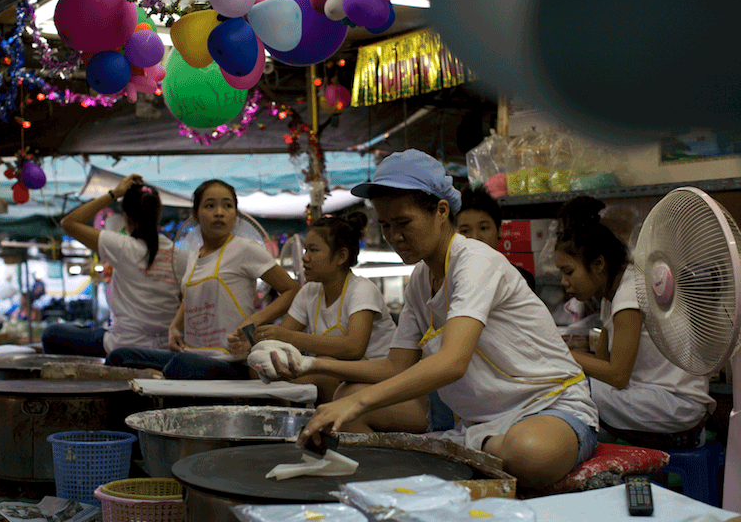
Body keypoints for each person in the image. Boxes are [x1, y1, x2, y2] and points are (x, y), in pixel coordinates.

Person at [256, 149, 599, 488]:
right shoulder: (421, 278)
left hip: (547, 404)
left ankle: (450, 447)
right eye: (386, 225)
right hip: (475, 414)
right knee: (347, 395)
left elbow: (452, 363)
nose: (394, 237)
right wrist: (312, 365)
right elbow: (395, 366)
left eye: (403, 223)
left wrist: (353, 402)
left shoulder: (475, 261)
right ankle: (449, 451)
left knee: (529, 454)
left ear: (440, 211)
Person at [554, 196, 716, 450]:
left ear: (598, 264)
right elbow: (601, 364)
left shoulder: (630, 293)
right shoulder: (614, 291)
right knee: (573, 384)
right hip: (655, 399)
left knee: (570, 390)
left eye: (569, 272)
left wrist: (557, 351)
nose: (564, 282)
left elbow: (617, 375)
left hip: (676, 406)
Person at [106, 179, 300, 379]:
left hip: (230, 360)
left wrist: (251, 323)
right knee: (119, 356)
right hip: (193, 353)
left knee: (180, 365)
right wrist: (175, 326)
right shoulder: (192, 256)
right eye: (209, 206)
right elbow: (192, 298)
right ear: (196, 215)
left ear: (236, 215)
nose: (219, 212)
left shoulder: (245, 249)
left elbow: (292, 290)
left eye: (227, 206)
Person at [234, 212, 396, 403]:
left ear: (341, 256)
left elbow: (354, 348)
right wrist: (254, 344)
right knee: (259, 370)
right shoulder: (309, 292)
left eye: (313, 250)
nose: (305, 258)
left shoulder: (362, 289)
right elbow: (279, 341)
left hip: (375, 381)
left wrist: (286, 337)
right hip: (340, 377)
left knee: (323, 372)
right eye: (305, 250)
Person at [42, 174, 181, 357]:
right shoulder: (179, 255)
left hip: (122, 345)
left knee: (52, 334)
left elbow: (69, 223)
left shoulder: (121, 246)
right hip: (165, 349)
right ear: (159, 214)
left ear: (125, 216)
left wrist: (114, 193)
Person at [457, 185, 535, 291]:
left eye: (483, 228)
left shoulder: (520, 279)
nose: (475, 238)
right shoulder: (450, 281)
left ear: (499, 230)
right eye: (465, 231)